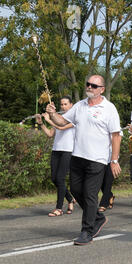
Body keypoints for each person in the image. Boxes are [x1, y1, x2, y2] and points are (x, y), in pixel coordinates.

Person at [46, 75, 121, 245]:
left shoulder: (109, 108)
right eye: (88, 84)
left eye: (94, 85)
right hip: (78, 157)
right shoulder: (80, 105)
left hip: (98, 159)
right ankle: (97, 217)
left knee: (90, 194)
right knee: (76, 190)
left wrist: (114, 160)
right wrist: (52, 114)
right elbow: (62, 120)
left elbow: (116, 136)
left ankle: (87, 231)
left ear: (101, 89)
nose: (90, 87)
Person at [35, 96, 76, 217]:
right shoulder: (57, 117)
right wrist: (41, 123)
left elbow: (61, 126)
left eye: (65, 104)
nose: (63, 106)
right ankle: (70, 199)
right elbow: (50, 134)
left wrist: (49, 119)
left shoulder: (74, 118)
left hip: (68, 151)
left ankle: (59, 208)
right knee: (54, 178)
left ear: (71, 105)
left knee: (60, 178)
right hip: (56, 150)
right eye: (61, 104)